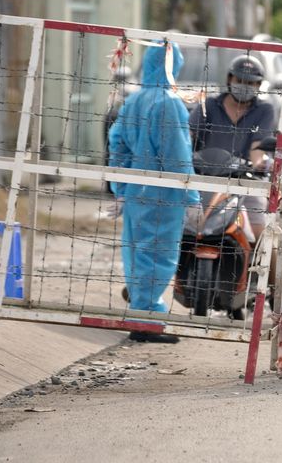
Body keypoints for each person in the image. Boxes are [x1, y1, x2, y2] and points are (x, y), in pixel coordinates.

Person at [109, 41, 200, 343]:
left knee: (136, 254)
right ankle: (147, 321)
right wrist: (191, 196)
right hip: (164, 193)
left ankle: (142, 314)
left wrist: (120, 188)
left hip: (136, 189)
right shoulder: (169, 103)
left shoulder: (134, 101)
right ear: (172, 66)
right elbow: (177, 156)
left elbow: (117, 142)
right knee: (158, 255)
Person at [189, 54, 276, 242]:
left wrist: (258, 164)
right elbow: (188, 136)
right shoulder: (209, 105)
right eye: (240, 80)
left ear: (259, 85)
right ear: (230, 79)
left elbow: (258, 146)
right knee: (184, 229)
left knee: (263, 237)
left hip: (244, 182)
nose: (245, 86)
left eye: (251, 83)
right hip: (205, 180)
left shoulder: (264, 110)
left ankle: (267, 272)